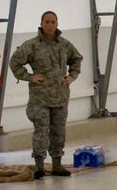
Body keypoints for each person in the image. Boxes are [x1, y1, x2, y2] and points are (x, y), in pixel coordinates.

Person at [7, 10, 83, 177]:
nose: (50, 25)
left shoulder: (64, 44)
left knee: (58, 131)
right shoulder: (32, 45)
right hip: (40, 97)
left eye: (53, 22)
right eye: (47, 22)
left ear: (57, 24)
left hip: (60, 96)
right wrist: (29, 77)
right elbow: (15, 62)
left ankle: (57, 164)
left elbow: (77, 58)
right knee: (41, 131)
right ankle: (39, 165)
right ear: (41, 23)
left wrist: (72, 76)